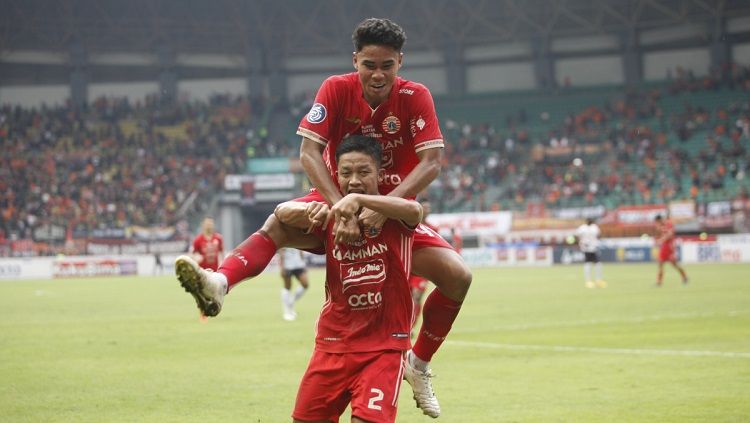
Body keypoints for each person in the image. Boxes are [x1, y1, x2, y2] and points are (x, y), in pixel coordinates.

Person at [175, 18, 472, 417]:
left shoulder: (415, 96)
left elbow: (432, 162)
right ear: (356, 61)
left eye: (388, 64)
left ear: (401, 62)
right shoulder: (335, 89)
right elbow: (308, 153)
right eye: (370, 64)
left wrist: (379, 207)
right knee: (280, 224)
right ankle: (220, 283)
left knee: (458, 277)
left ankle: (418, 365)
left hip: (391, 208)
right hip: (336, 195)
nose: (378, 74)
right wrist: (341, 205)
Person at [275, 136, 423, 423]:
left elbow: (414, 211)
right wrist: (319, 209)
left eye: (363, 172)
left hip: (383, 348)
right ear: (336, 176)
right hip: (333, 343)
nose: (354, 180)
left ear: (379, 174)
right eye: (346, 173)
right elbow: (280, 212)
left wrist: (359, 200)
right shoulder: (329, 213)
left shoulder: (392, 212)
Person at [654, 214, 689, 286]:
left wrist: (661, 239)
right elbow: (659, 235)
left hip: (670, 246)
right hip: (664, 246)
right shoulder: (659, 226)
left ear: (660, 220)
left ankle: (684, 277)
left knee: (674, 264)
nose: (657, 223)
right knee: (660, 263)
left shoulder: (668, 224)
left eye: (657, 221)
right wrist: (658, 240)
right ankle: (659, 282)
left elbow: (670, 234)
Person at [278, 247, 310, 321]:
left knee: (305, 284)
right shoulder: (284, 237)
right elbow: (281, 252)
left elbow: (301, 250)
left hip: (298, 264)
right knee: (287, 287)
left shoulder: (298, 236)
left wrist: (303, 263)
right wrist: (282, 267)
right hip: (288, 266)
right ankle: (287, 312)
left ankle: (291, 301)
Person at [575, 218, 606, 288]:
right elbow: (576, 235)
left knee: (598, 264)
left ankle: (598, 280)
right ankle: (588, 281)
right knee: (588, 263)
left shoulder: (594, 227)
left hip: (594, 247)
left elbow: (599, 235)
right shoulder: (582, 228)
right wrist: (580, 242)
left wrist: (597, 241)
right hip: (586, 248)